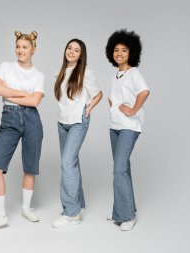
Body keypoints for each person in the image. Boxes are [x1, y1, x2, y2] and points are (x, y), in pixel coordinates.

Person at [0, 31, 44, 233]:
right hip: (10, 118)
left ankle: (26, 208)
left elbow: (35, 101)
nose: (20, 50)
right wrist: (25, 93)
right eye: (17, 46)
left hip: (33, 120)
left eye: (24, 47)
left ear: (33, 49)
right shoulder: (5, 66)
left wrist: (13, 92)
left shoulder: (39, 75)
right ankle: (0, 216)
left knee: (30, 166)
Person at [52, 39, 103, 228]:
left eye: (76, 50)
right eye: (69, 48)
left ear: (81, 55)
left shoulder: (86, 73)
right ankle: (78, 203)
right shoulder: (59, 72)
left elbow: (98, 94)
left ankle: (71, 213)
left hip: (78, 122)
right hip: (62, 122)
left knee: (67, 163)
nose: (71, 52)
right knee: (71, 162)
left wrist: (88, 108)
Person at [105, 29, 150, 231]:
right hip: (115, 126)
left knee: (119, 168)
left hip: (128, 127)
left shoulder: (134, 73)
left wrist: (133, 110)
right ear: (111, 53)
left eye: (124, 50)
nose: (120, 53)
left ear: (131, 53)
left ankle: (127, 216)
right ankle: (123, 210)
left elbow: (144, 91)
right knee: (123, 168)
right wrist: (113, 104)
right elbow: (116, 97)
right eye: (116, 50)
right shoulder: (116, 75)